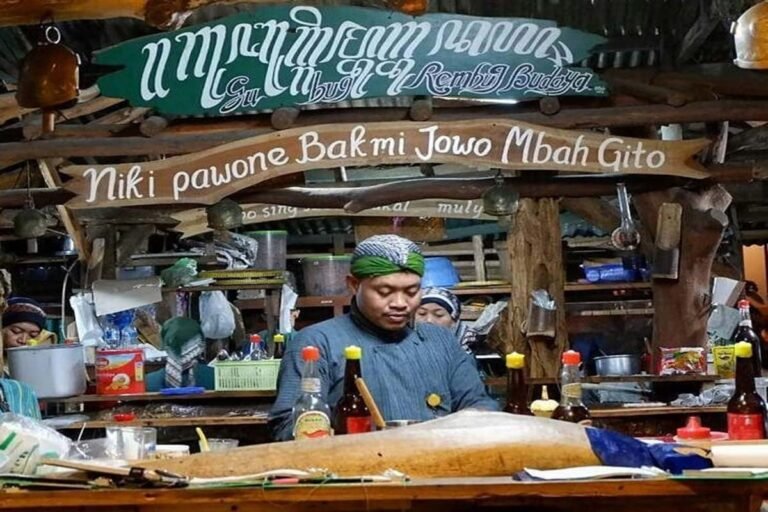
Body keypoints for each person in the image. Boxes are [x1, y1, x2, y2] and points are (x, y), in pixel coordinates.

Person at [269, 234, 498, 440]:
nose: (400, 303)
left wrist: (476, 418)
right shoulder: (318, 343)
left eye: (411, 292)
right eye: (384, 292)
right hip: (358, 469)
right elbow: (286, 424)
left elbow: (479, 403)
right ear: (354, 285)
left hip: (436, 465)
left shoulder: (441, 341)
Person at [416, 287, 476, 352]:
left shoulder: (472, 345)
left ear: (454, 321)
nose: (429, 320)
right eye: (422, 313)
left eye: (439, 315)